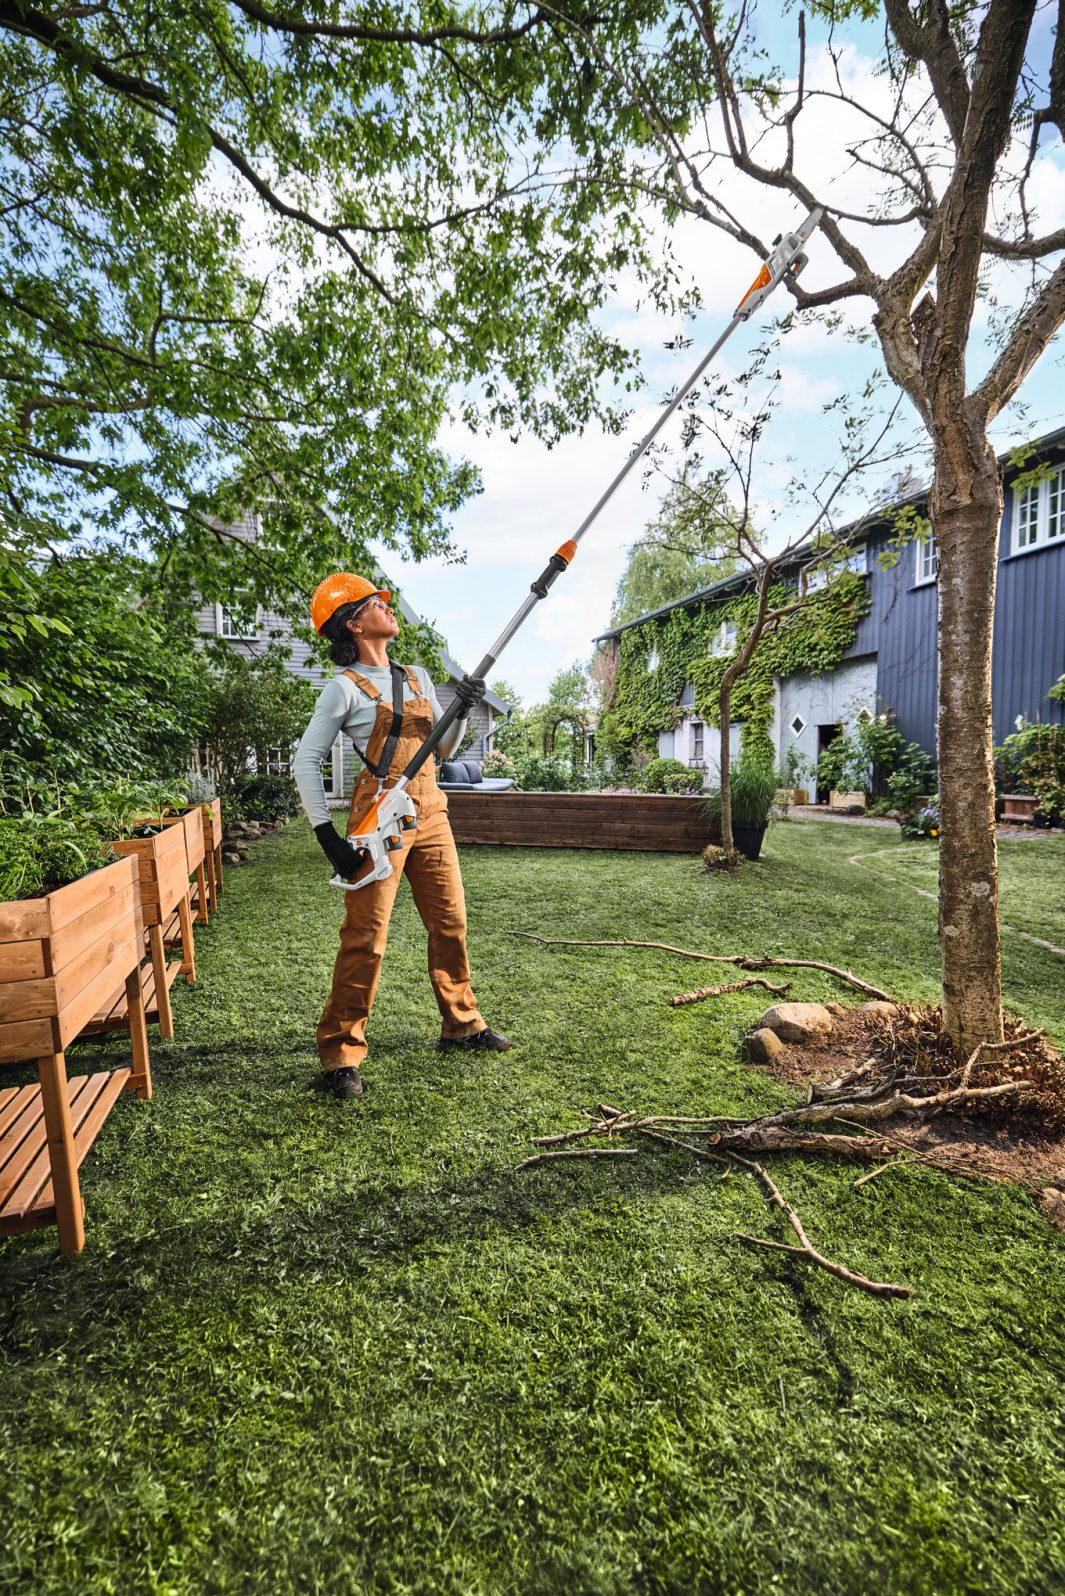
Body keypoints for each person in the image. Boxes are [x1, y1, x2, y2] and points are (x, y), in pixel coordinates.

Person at [292, 572, 511, 1100]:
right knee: (366, 937)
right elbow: (305, 763)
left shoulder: (415, 676)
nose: (388, 609)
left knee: (451, 919)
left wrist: (461, 708)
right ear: (352, 621)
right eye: (376, 603)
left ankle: (462, 1022)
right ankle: (341, 1051)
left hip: (431, 807)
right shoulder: (342, 688)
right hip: (379, 813)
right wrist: (328, 838)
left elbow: (447, 749)